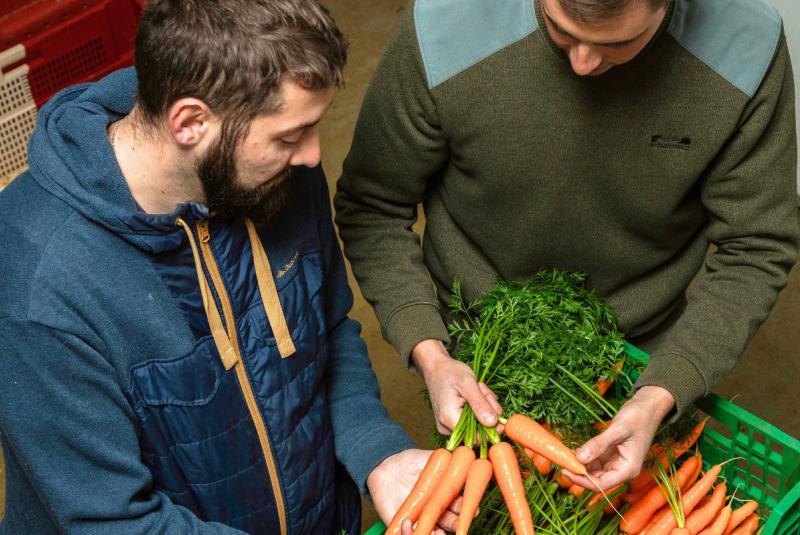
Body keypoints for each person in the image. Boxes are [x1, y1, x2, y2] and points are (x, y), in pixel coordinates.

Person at [0, 0, 440, 533]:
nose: (311, 155)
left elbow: (326, 331)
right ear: (190, 121)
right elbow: (109, 520)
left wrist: (379, 455)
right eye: (288, 136)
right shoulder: (41, 278)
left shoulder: (277, 178)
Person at [335, 0, 799, 493]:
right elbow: (373, 208)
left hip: (643, 351)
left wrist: (665, 388)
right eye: (559, 30)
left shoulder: (746, 50)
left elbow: (756, 245)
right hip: (476, 350)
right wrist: (429, 350)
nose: (581, 65)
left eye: (617, 43)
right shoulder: (443, 29)